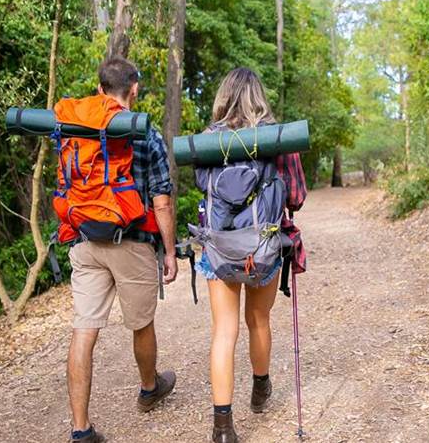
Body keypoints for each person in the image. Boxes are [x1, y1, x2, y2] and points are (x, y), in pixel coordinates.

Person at [64, 56, 178, 443]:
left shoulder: (76, 128)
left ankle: (80, 429)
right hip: (131, 243)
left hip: (85, 241)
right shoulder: (145, 132)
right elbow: (161, 200)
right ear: (134, 89)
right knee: (140, 322)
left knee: (84, 330)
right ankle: (149, 388)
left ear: (99, 90)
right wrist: (169, 252)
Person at [194, 68, 307, 443]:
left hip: (220, 249)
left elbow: (201, 186)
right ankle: (260, 388)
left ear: (224, 96)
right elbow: (296, 198)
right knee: (258, 318)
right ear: (260, 96)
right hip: (262, 246)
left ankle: (222, 429)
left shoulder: (209, 140)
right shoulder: (277, 138)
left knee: (223, 331)